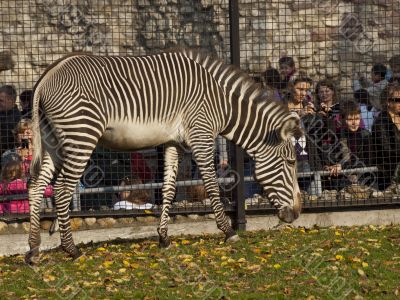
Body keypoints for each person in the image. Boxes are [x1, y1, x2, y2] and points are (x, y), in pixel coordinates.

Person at [371, 83, 400, 190]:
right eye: (398, 100)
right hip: (387, 173)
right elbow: (386, 149)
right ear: (388, 102)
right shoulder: (381, 123)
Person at [0, 85, 21, 161]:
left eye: (1, 100)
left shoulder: (17, 117)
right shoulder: (2, 112)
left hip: (9, 159)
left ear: (11, 101)